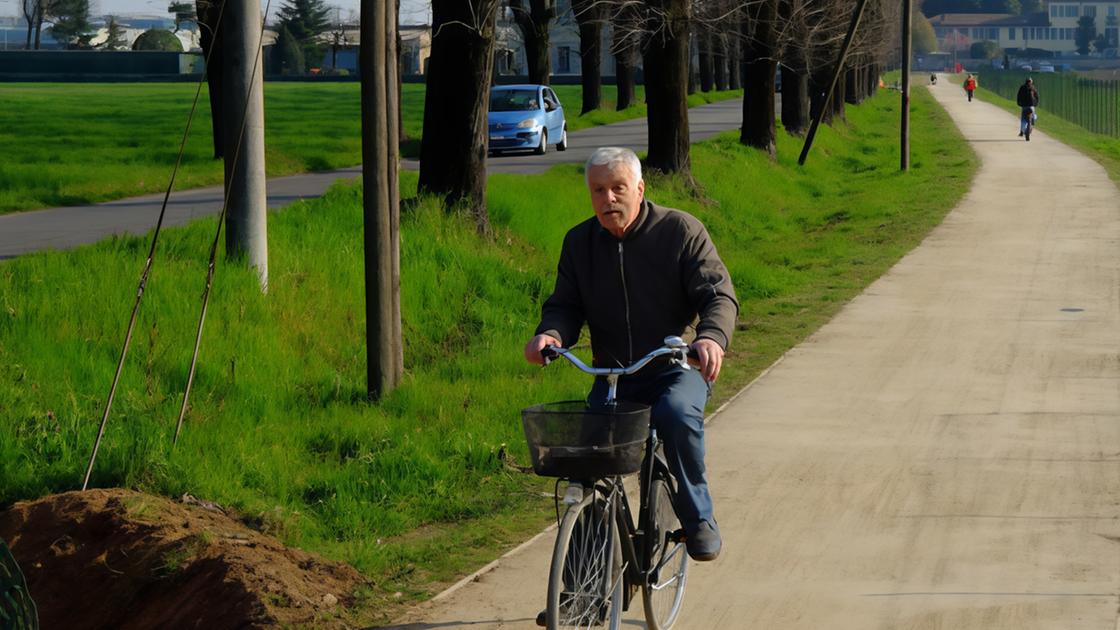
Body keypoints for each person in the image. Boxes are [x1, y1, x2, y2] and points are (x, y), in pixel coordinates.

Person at [524, 146, 739, 563]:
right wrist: (550, 335)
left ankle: (699, 519)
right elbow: (565, 306)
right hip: (611, 375)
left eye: (618, 188)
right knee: (586, 469)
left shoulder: (680, 231)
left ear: (640, 188)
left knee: (676, 416)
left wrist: (711, 338)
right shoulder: (579, 243)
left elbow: (717, 294)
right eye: (598, 190)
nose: (608, 199)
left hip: (676, 367)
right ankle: (574, 593)